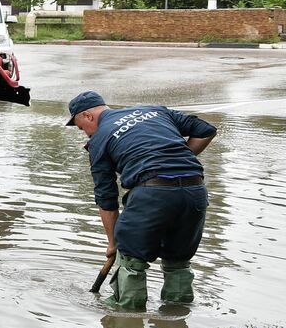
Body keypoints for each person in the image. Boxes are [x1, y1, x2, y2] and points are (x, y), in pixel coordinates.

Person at [65, 91, 216, 311]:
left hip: (152, 195)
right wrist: (179, 160)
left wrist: (113, 242)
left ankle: (127, 321)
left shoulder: (99, 139)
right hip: (195, 190)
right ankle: (177, 316)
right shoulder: (154, 110)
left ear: (87, 116)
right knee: (178, 261)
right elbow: (206, 131)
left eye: (81, 129)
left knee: (131, 262)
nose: (85, 134)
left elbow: (106, 198)